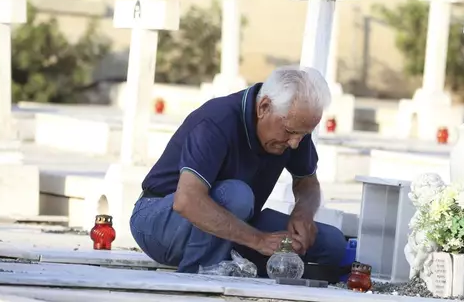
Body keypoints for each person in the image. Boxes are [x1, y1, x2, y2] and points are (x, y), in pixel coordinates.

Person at [129, 66, 347, 276]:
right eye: (290, 132)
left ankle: (243, 270)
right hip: (159, 221)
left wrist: (303, 212)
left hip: (237, 223)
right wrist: (259, 240)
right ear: (264, 107)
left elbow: (307, 182)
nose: (295, 144)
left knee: (333, 243)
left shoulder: (295, 127)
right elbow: (186, 201)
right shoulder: (216, 120)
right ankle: (200, 279)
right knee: (237, 194)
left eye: (303, 135)